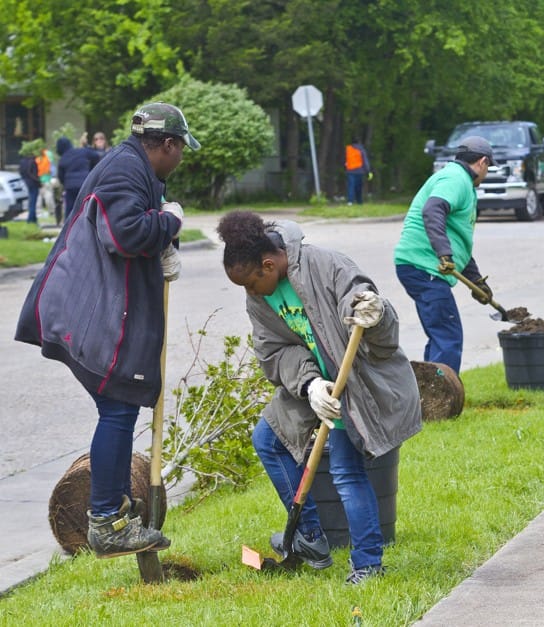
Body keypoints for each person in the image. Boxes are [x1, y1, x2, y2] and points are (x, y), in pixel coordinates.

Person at [15, 102, 199, 558]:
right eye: (180, 151)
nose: (180, 160)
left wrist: (164, 239)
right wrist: (170, 221)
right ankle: (106, 521)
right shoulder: (123, 172)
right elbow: (125, 235)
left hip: (87, 305)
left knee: (118, 406)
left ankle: (114, 508)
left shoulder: (132, 166)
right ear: (168, 144)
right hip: (85, 310)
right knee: (118, 405)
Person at [217, 210, 421, 584]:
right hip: (316, 384)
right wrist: (310, 385)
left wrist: (373, 314)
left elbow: (367, 311)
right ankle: (310, 537)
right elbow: (273, 352)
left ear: (268, 264)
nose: (249, 293)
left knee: (346, 472)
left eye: (250, 283)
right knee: (267, 438)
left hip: (356, 382)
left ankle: (368, 564)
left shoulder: (325, 265)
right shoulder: (259, 299)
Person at [393, 136, 495, 375]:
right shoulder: (455, 179)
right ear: (482, 162)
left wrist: (477, 281)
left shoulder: (459, 181)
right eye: (489, 166)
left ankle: (431, 391)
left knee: (441, 333)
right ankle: (442, 396)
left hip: (422, 266)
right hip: (423, 266)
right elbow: (433, 210)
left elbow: (458, 239)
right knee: (447, 334)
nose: (487, 171)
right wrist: (443, 253)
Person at [55, 135, 101, 221]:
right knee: (85, 207)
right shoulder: (82, 151)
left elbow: (60, 176)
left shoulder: (63, 158)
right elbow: (96, 156)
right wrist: (91, 169)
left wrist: (65, 184)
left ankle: (69, 230)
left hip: (70, 186)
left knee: (70, 209)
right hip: (84, 184)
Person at [18, 144, 41, 224]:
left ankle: (33, 218)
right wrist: (39, 182)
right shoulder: (33, 162)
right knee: (33, 201)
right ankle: (30, 219)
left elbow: (20, 172)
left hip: (25, 183)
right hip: (33, 183)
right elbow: (34, 174)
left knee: (30, 201)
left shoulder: (22, 161)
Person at [344, 139, 372, 205]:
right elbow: (365, 161)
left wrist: (345, 167)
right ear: (359, 143)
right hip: (359, 171)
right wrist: (368, 171)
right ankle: (359, 201)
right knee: (358, 187)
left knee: (351, 186)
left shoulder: (348, 149)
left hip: (350, 171)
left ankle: (350, 201)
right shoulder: (361, 149)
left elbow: (344, 159)